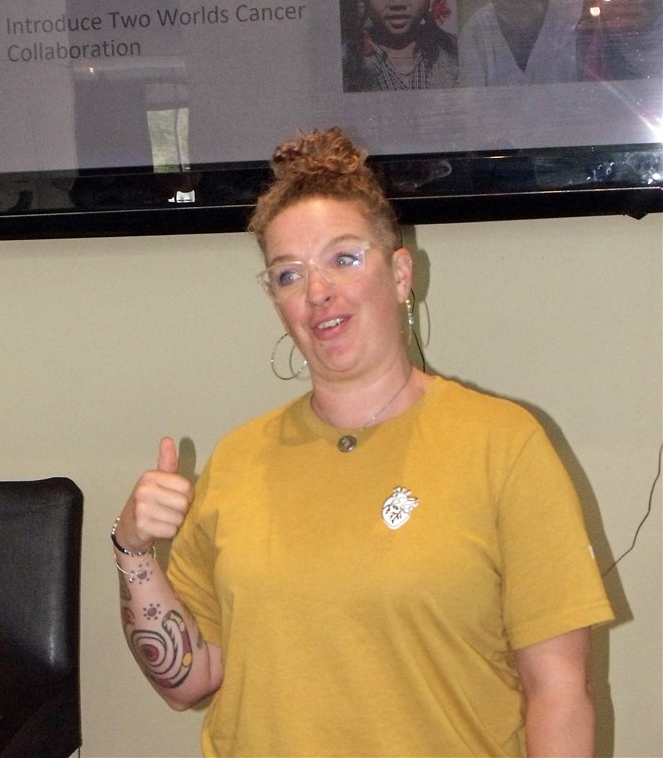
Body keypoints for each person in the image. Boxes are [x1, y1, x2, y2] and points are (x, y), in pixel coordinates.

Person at [113, 127, 613, 758]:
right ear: (276, 301)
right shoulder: (237, 460)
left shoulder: (505, 446)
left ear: (401, 274)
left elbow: (560, 693)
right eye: (288, 274)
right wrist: (132, 549)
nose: (317, 291)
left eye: (343, 259)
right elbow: (189, 680)